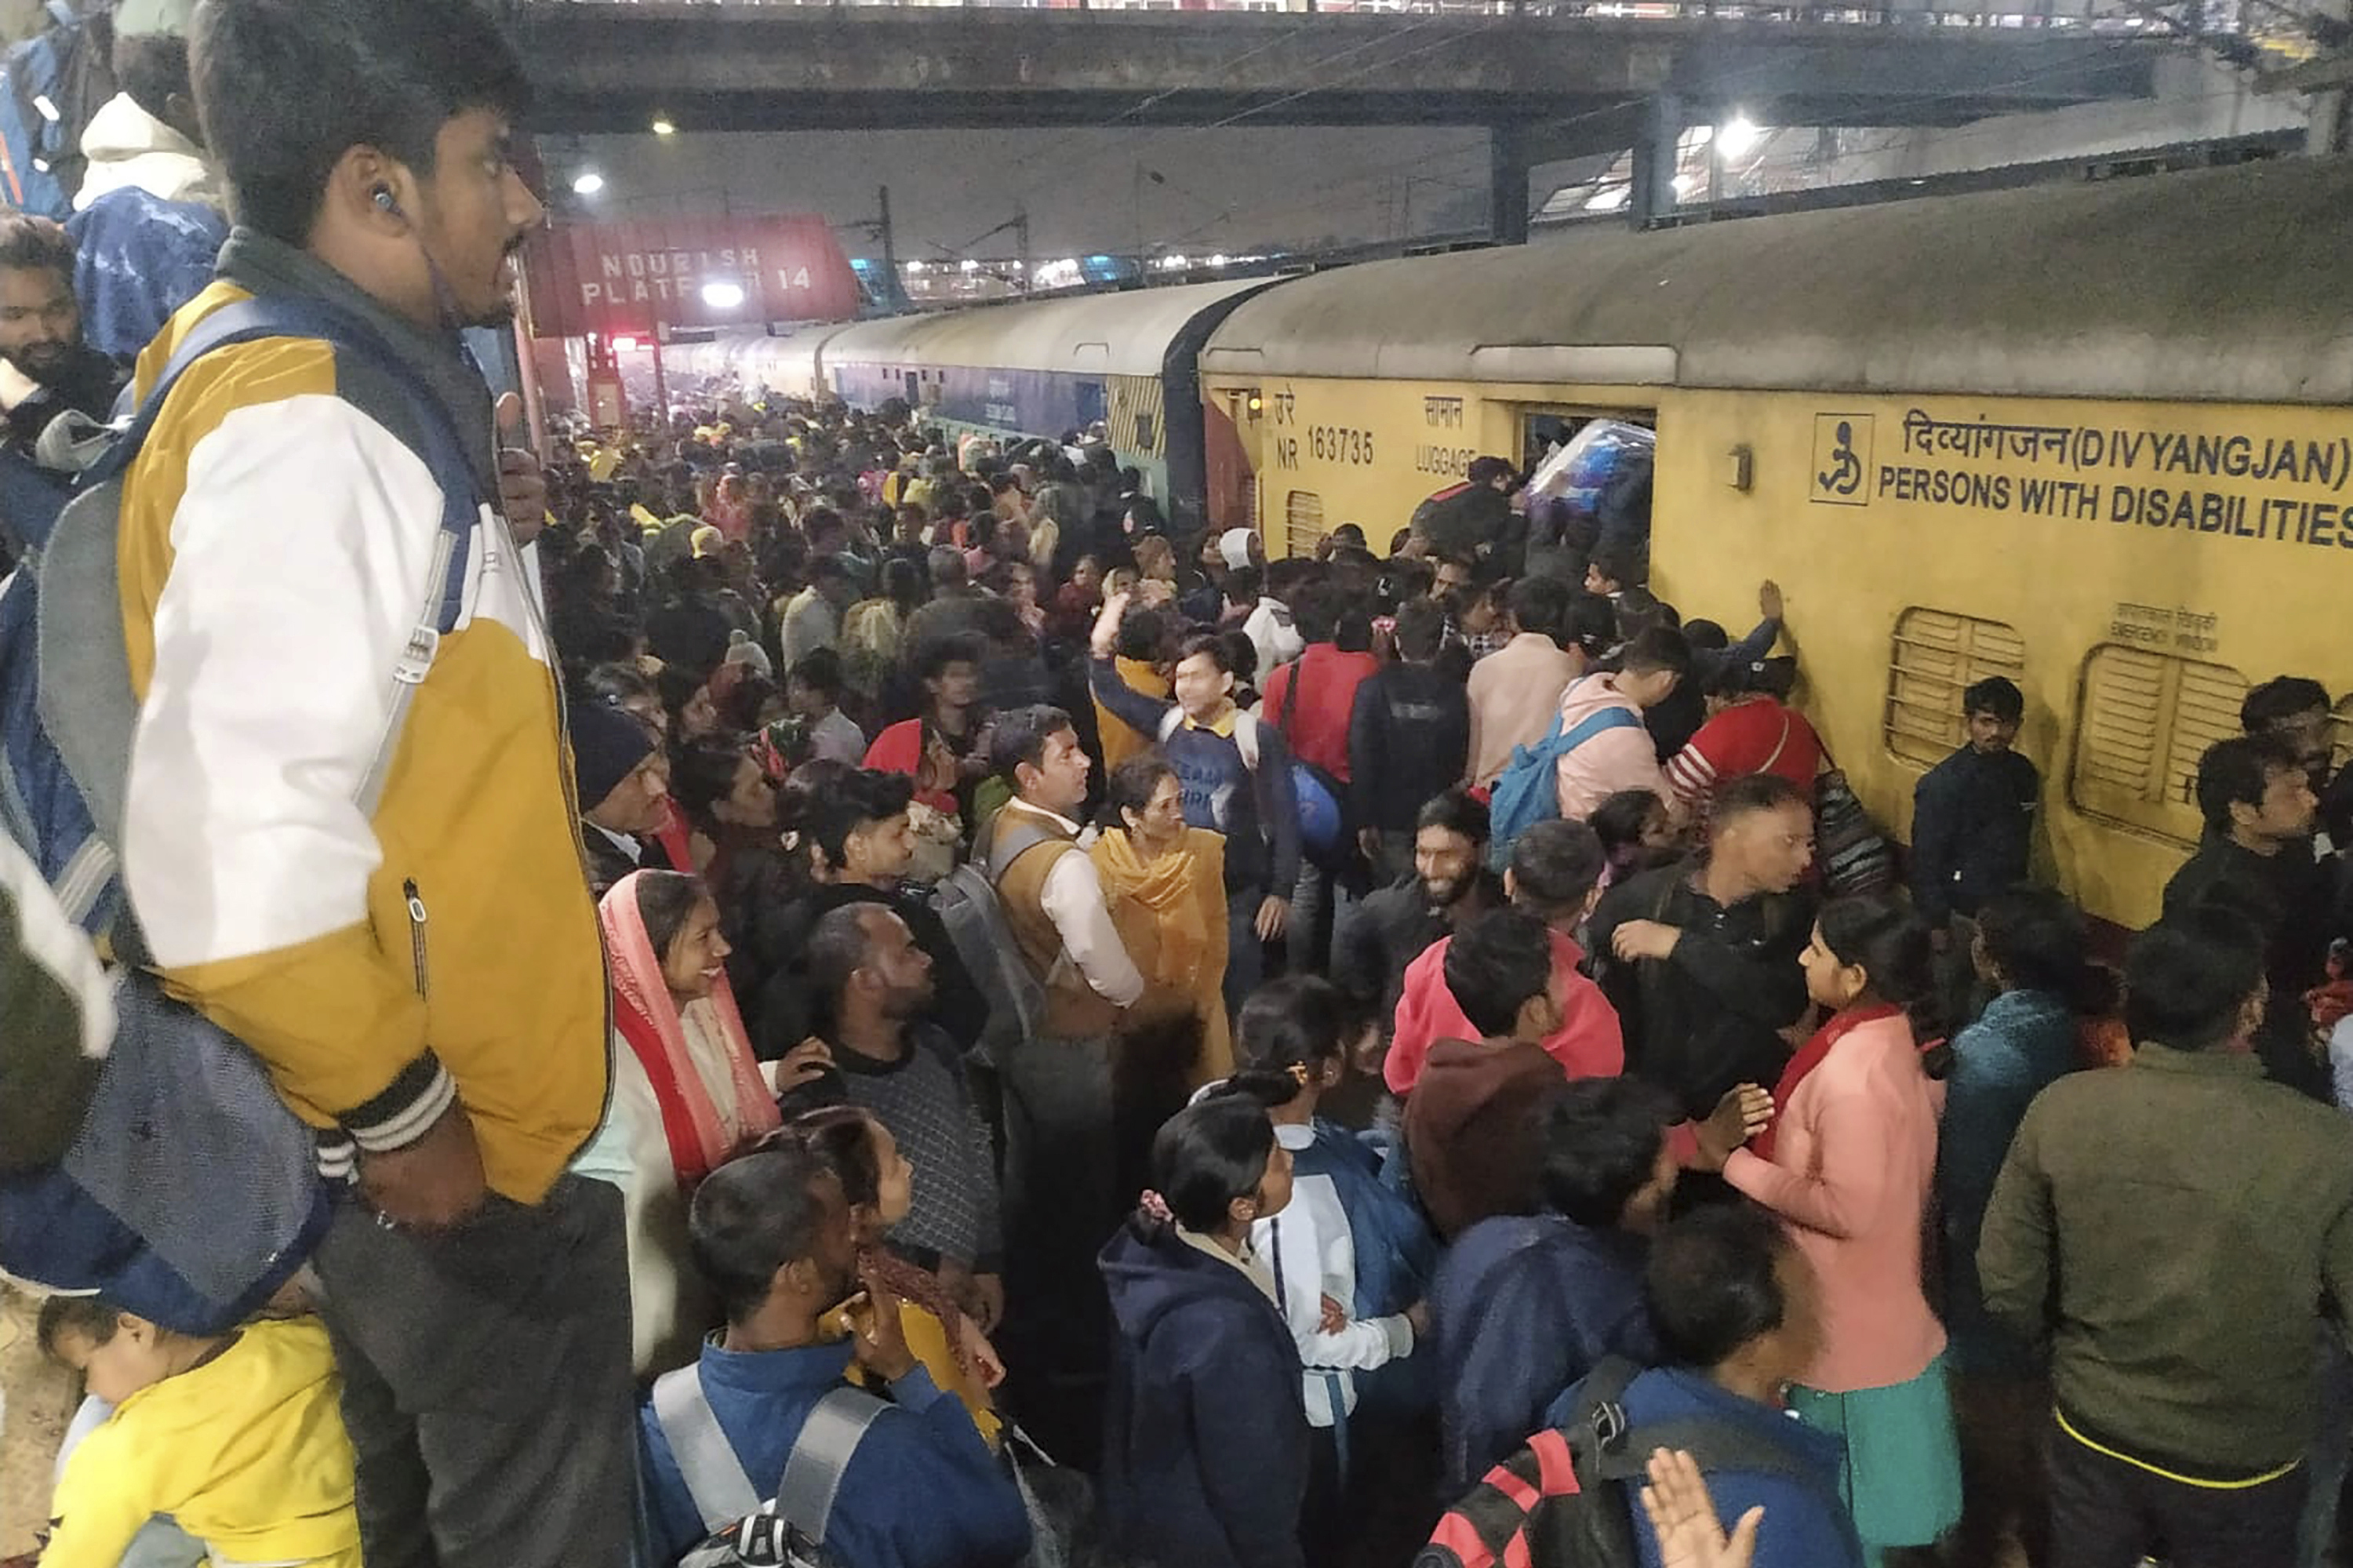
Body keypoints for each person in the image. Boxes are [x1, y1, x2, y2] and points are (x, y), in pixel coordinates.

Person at [124, 4, 628, 1558]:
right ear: (376, 187)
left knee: (405, 1514)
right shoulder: (311, 425)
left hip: (389, 1151)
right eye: (490, 164)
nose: (528, 204)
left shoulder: (309, 381)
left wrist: (491, 535)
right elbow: (229, 856)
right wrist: (405, 1118)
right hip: (432, 1159)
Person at [1979, 908, 2353, 1568]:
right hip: (2241, 1457)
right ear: (2250, 1011)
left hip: (2093, 1428)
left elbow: (2007, 1283)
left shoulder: (2062, 1110)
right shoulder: (2325, 1146)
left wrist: (2071, 1354)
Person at [636, 1144, 1031, 1568]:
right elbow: (1005, 1531)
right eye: (843, 1231)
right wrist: (907, 1375)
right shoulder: (892, 1446)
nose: (858, 1240)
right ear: (799, 1275)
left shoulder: (646, 1426)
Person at [1720, 894, 1961, 1564]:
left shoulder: (1855, 1075)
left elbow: (1850, 1209)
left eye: (1817, 950)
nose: (1803, 957)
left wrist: (1735, 1165)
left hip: (1846, 1332)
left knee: (1845, 1518)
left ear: (1854, 977)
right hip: (1877, 1310)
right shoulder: (1891, 1042)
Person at [1219, 975, 1439, 1568]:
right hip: (1318, 1411)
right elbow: (1313, 1338)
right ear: (1331, 1067)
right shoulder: (1299, 1193)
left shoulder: (1213, 1115)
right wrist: (1407, 1329)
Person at [980, 704, 1147, 1463]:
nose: (1084, 762)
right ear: (1028, 775)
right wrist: (1138, 993)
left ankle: (1039, 1317)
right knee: (1081, 1188)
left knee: (1036, 1182)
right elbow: (1105, 966)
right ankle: (1079, 1342)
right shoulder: (1066, 864)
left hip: (1020, 1039)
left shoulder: (1004, 831)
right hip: (1069, 1040)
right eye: (1067, 752)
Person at [1935, 886, 2102, 1568]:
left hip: (1993, 1275)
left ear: (1990, 958)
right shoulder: (2083, 1029)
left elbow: (1969, 1193)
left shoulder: (1987, 1056)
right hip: (2066, 1263)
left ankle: (1984, 1543)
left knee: (1992, 1432)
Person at [1432, 1077, 1680, 1498]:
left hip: (1462, 1487)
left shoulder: (1479, 1242)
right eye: (1664, 1165)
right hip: (1549, 1502)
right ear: (1638, 1197)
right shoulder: (1637, 1296)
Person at [1098, 1095, 1310, 1568]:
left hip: (1158, 1520)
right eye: (1276, 1160)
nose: (1290, 1159)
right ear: (1241, 1206)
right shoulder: (1226, 1332)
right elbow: (1251, 1482)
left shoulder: (1155, 1253)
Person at [1612, 1205, 1867, 1568]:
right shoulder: (1782, 1514)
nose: (1820, 1310)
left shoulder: (1614, 1406)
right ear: (1755, 1349)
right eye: (1807, 1294)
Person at [38, 1297, 361, 1568]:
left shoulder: (134, 1441)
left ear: (136, 1329)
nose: (92, 1389)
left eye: (85, 1371)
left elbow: (76, 1553)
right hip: (362, 1534)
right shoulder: (286, 1339)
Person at [1092, 593, 1300, 1013]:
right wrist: (1099, 649)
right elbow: (1115, 695)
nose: (1184, 687)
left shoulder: (1254, 736)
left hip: (1237, 891)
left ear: (1225, 682)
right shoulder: (1170, 723)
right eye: (1180, 677)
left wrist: (1280, 891)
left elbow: (1286, 814)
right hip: (1180, 885)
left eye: (1197, 677)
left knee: (1240, 990)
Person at [801, 904, 1005, 1333]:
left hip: (967, 1290)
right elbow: (832, 1223)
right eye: (908, 952)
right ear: (866, 981)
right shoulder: (823, 1090)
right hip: (890, 1313)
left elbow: (975, 1146)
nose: (927, 959)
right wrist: (929, 1270)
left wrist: (986, 1261)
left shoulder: (935, 1047)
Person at [1588, 773, 1817, 1119]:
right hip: (1659, 1113)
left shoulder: (1795, 914)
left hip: (1751, 1110)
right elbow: (1613, 1013)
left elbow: (1782, 1005)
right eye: (1789, 842)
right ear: (1729, 839)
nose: (1805, 859)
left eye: (1809, 844)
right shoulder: (1638, 902)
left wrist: (1680, 945)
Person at [794, 1104, 1009, 1446]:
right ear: (856, 1213)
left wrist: (957, 1322)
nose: (909, 1169)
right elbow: (961, 1431)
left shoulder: (877, 1264)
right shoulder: (889, 1316)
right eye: (894, 1166)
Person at [1387, 818, 1623, 1096]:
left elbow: (1399, 1077)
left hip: (1429, 1123)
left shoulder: (1439, 958)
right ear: (1592, 898)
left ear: (1509, 880)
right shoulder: (1592, 1016)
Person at [2164, 733, 2334, 1100]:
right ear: (2242, 811)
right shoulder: (2213, 892)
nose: (2312, 800)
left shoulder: (2292, 853)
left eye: (2307, 787)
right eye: (2293, 793)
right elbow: (2218, 1003)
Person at [1401, 908, 1582, 1239]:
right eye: (1560, 977)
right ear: (1535, 1010)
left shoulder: (1437, 1074)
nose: (1569, 987)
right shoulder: (1537, 1102)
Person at [1093, 754, 1235, 1086]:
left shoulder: (1202, 851)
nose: (1179, 814)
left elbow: (1216, 929)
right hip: (1132, 1017)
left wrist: (1200, 1006)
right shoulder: (1102, 864)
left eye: (1180, 801)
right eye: (1165, 807)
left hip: (1197, 1004)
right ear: (1131, 816)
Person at [1909, 676, 2039, 1020]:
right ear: (1968, 722)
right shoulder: (1944, 785)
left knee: (1988, 1000)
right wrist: (1935, 921)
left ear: (2018, 725)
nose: (1996, 732)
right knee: (1952, 996)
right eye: (1986, 722)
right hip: (1958, 914)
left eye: (2005, 723)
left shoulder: (2024, 775)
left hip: (2002, 910)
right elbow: (1925, 857)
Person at [1332, 788, 1501, 1038]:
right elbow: (1351, 958)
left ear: (1481, 850)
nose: (1432, 869)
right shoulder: (1390, 911)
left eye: (1447, 855)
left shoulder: (1505, 908)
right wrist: (1369, 1020)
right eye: (1423, 854)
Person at [1348, 598, 1471, 886]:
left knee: (1393, 896)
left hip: (1387, 813)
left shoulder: (1373, 688)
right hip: (1438, 813)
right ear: (1440, 642)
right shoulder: (1455, 692)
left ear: (1397, 639)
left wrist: (1364, 818)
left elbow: (1362, 755)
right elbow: (1460, 756)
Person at [1549, 627, 1692, 824]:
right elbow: (1666, 812)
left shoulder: (1580, 687)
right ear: (1665, 679)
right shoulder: (1625, 737)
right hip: (1590, 834)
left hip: (1557, 807)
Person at [1463, 576, 1587, 791]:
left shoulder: (1484, 669)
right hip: (1545, 792)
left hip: (1490, 792)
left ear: (1513, 618)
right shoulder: (1570, 670)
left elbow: (1474, 750)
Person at [1664, 659, 1822, 820]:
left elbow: (1675, 789)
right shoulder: (1798, 723)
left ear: (1728, 697)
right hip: (1791, 821)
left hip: (1733, 830)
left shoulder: (1726, 730)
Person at [864, 631, 991, 821]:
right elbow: (872, 798)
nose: (967, 683)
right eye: (955, 675)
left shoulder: (991, 731)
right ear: (932, 684)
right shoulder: (899, 739)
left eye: (971, 674)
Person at [573, 697, 673, 897]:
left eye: (655, 768)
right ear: (593, 797)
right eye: (638, 776)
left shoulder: (635, 841)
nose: (658, 788)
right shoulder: (598, 886)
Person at [786, 646, 867, 766]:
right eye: (791, 686)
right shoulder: (795, 725)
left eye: (799, 687)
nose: (791, 693)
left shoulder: (843, 736)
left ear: (823, 693)